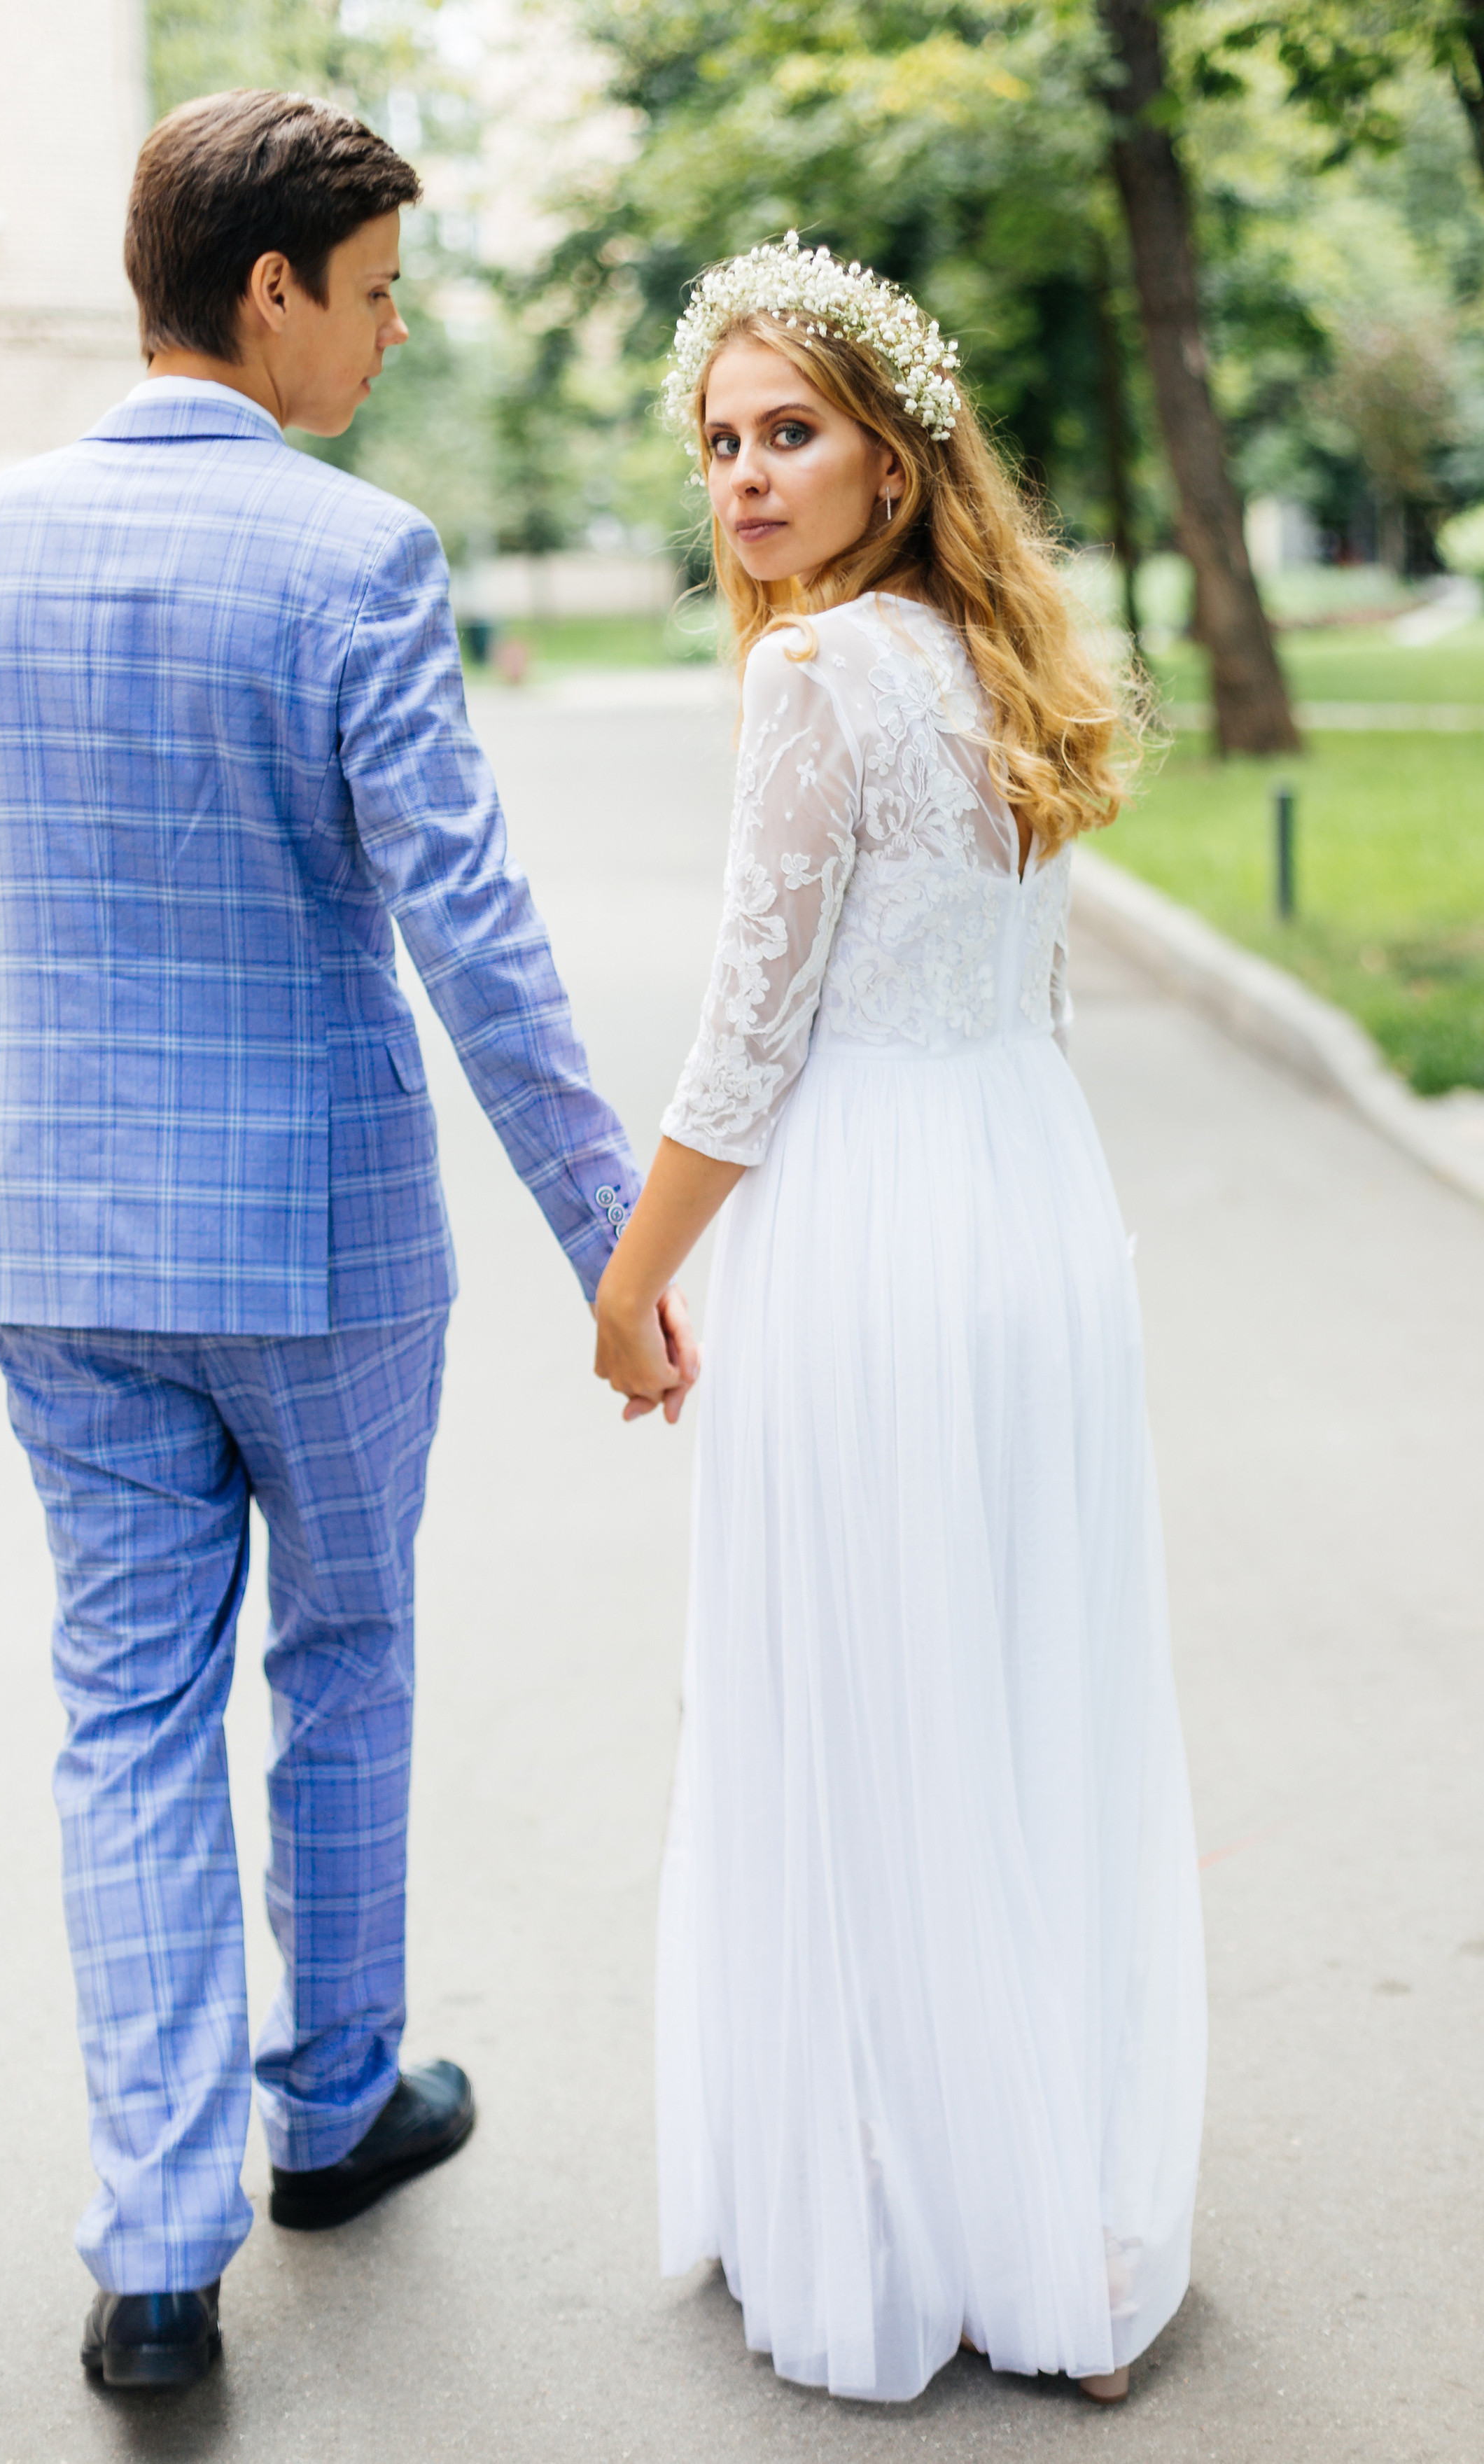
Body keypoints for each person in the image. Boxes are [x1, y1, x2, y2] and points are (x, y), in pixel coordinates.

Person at [0, 89, 695, 2393]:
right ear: (269, 293)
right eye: (372, 295)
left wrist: (17, 1178)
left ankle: (155, 2257)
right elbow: (479, 937)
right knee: (341, 1654)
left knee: (123, 1706)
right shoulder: (356, 563)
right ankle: (331, 2115)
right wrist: (607, 1246)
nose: (388, 339)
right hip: (326, 1252)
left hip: (62, 1246)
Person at [593, 235, 1207, 2405]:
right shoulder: (1000, 656)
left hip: (867, 1221)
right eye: (723, 442)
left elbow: (749, 1042)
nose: (748, 478)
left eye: (793, 433)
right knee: (1017, 1686)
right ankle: (1047, 2189)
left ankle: (899, 2198)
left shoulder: (819, 676)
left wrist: (631, 1277)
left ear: (893, 451)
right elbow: (1020, 993)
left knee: (866, 1692)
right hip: (1028, 1206)